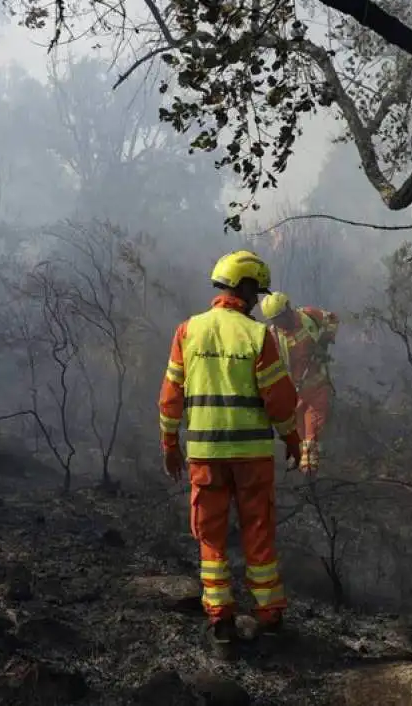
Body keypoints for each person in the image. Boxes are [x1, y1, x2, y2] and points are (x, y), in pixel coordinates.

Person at [158, 250, 302, 658]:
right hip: (253, 456)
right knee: (258, 531)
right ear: (246, 287)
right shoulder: (258, 336)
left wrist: (170, 445)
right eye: (256, 291)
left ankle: (221, 624)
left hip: (205, 456)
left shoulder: (188, 331)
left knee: (211, 536)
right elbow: (279, 400)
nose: (258, 300)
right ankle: (269, 619)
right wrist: (291, 438)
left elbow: (170, 397)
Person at [260, 292, 339, 474]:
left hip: (317, 381)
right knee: (298, 424)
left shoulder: (308, 316)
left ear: (288, 308)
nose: (280, 322)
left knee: (315, 418)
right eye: (275, 320)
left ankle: (311, 463)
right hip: (296, 386)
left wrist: (325, 340)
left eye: (281, 317)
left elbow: (332, 320)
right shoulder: (273, 336)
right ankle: (301, 460)